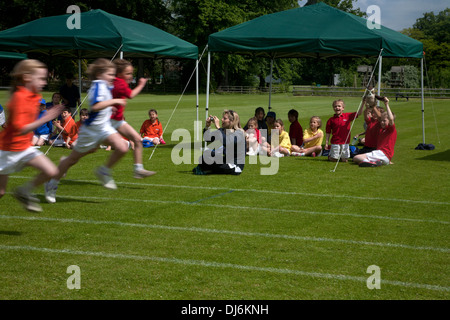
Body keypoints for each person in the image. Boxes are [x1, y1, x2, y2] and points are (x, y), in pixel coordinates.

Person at [44, 58, 130, 203]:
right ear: (99, 74)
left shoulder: (105, 84)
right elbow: (96, 107)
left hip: (103, 127)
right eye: (109, 74)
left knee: (122, 147)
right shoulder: (96, 87)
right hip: (91, 130)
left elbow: (114, 93)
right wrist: (114, 102)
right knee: (72, 159)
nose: (112, 77)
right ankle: (51, 183)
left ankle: (104, 170)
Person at [0, 59, 63, 212]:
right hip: (7, 150)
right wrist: (45, 118)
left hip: (24, 148)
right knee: (1, 192)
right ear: (27, 77)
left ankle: (24, 191)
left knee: (52, 171)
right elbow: (20, 129)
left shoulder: (35, 96)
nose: (45, 82)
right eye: (41, 78)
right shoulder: (19, 98)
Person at [110, 59, 155, 178]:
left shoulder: (115, 81)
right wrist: (141, 84)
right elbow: (131, 95)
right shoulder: (119, 83)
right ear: (119, 73)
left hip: (117, 121)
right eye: (128, 73)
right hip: (109, 121)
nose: (130, 76)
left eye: (131, 73)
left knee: (137, 139)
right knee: (90, 147)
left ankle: (138, 169)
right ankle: (66, 163)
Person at [193, 109, 245, 175]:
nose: (222, 120)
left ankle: (205, 169)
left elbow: (226, 141)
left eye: (224, 118)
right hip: (226, 161)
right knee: (206, 155)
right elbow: (207, 138)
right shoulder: (223, 130)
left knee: (209, 159)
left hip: (235, 166)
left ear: (231, 121)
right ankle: (205, 169)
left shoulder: (239, 133)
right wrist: (207, 126)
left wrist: (218, 127)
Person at [353, 98, 396, 167]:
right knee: (356, 157)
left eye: (384, 121)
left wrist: (386, 104)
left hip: (382, 153)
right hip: (383, 156)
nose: (382, 122)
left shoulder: (390, 129)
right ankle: (377, 162)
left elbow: (390, 118)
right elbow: (376, 118)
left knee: (356, 158)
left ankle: (372, 162)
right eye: (381, 121)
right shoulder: (381, 129)